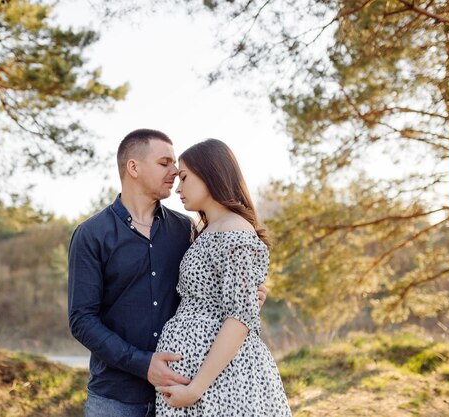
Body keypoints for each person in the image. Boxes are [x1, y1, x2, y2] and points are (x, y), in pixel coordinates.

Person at [67, 129, 266, 417]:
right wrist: (143, 364)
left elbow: (208, 293)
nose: (174, 171)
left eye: (176, 165)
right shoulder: (92, 234)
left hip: (180, 392)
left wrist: (249, 296)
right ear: (133, 167)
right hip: (115, 398)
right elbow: (82, 320)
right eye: (165, 163)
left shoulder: (186, 229)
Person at [155, 139, 292, 416]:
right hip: (199, 380)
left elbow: (240, 318)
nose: (178, 189)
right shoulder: (207, 231)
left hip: (221, 383)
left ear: (210, 173)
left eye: (184, 177)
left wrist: (194, 390)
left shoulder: (234, 231)